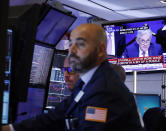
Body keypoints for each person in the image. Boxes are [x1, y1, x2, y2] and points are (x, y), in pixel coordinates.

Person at [2, 23, 144, 131]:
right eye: (71, 44)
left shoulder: (104, 90)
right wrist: (11, 129)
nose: (73, 51)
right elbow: (56, 116)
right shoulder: (88, 82)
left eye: (80, 44)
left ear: (100, 50)